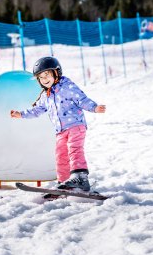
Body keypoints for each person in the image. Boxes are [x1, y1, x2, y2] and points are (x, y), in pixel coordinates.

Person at [10, 57, 106, 194]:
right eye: (41, 77)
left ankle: (80, 178)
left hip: (76, 126)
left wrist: (94, 108)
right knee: (60, 155)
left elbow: (82, 99)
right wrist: (21, 114)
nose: (44, 79)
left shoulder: (67, 86)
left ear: (56, 73)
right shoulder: (45, 96)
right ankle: (64, 182)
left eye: (47, 75)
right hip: (60, 131)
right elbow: (37, 110)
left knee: (74, 149)